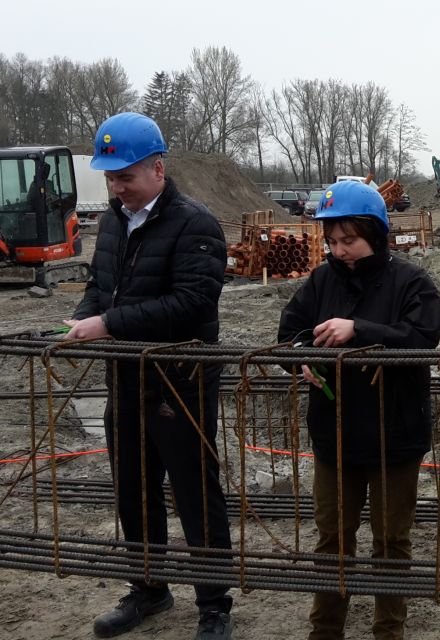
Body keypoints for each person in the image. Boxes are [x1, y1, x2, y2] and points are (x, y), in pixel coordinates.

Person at [65, 112, 234, 640]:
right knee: (134, 490)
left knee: (194, 493)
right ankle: (149, 588)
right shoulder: (114, 221)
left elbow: (193, 301)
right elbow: (101, 285)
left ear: (157, 169)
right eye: (111, 178)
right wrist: (82, 318)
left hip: (181, 382)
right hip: (127, 379)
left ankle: (214, 605)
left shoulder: (195, 224)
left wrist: (108, 323)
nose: (117, 188)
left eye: (126, 177)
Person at [277, 180, 440, 640]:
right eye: (332, 241)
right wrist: (300, 359)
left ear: (375, 233)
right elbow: (287, 336)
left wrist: (359, 329)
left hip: (395, 437)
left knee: (390, 541)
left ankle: (388, 630)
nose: (339, 250)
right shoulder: (321, 281)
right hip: (334, 437)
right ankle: (325, 630)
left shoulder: (412, 283)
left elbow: (422, 339)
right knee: (332, 539)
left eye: (348, 240)